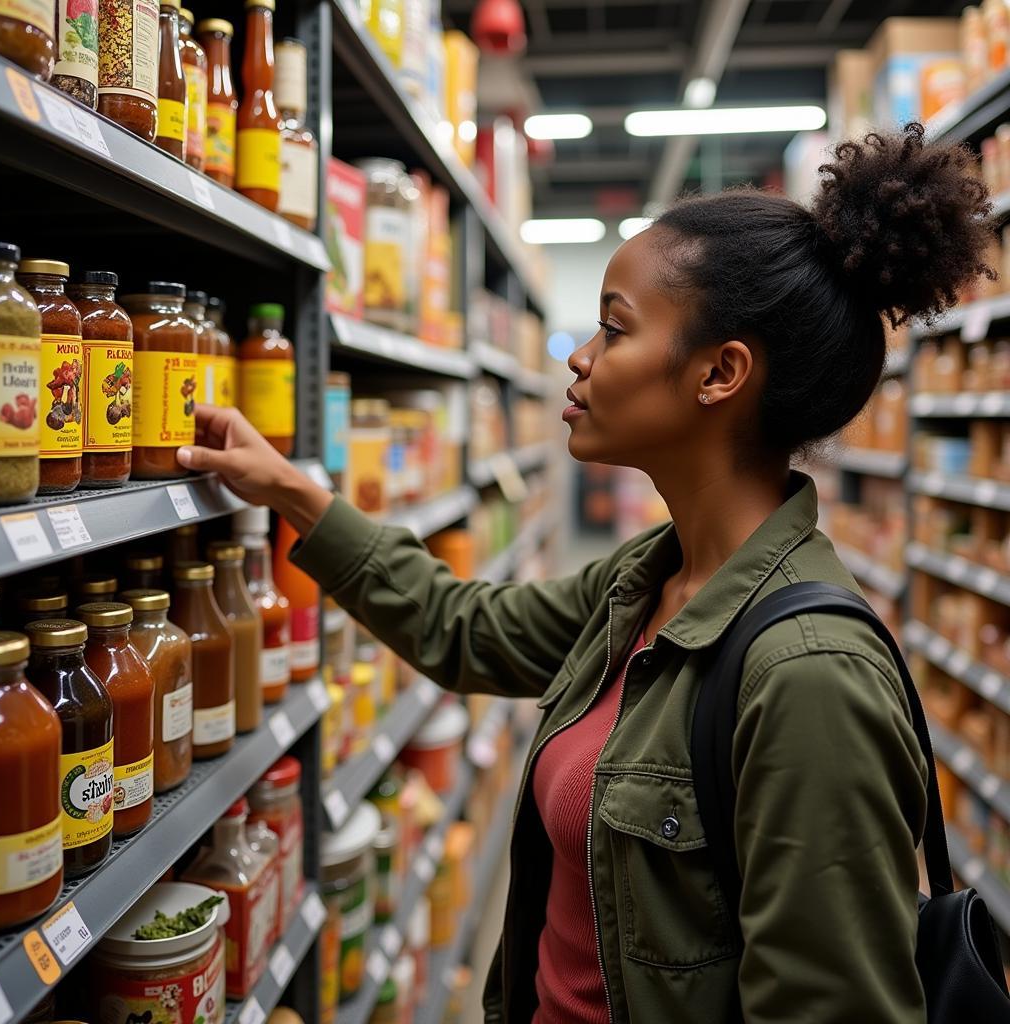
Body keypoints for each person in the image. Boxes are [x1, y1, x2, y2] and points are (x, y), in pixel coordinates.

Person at [177, 122, 993, 1024]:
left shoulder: (808, 679)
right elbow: (464, 627)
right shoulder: (648, 582)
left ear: (720, 374)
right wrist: (290, 488)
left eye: (613, 328)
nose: (578, 355)